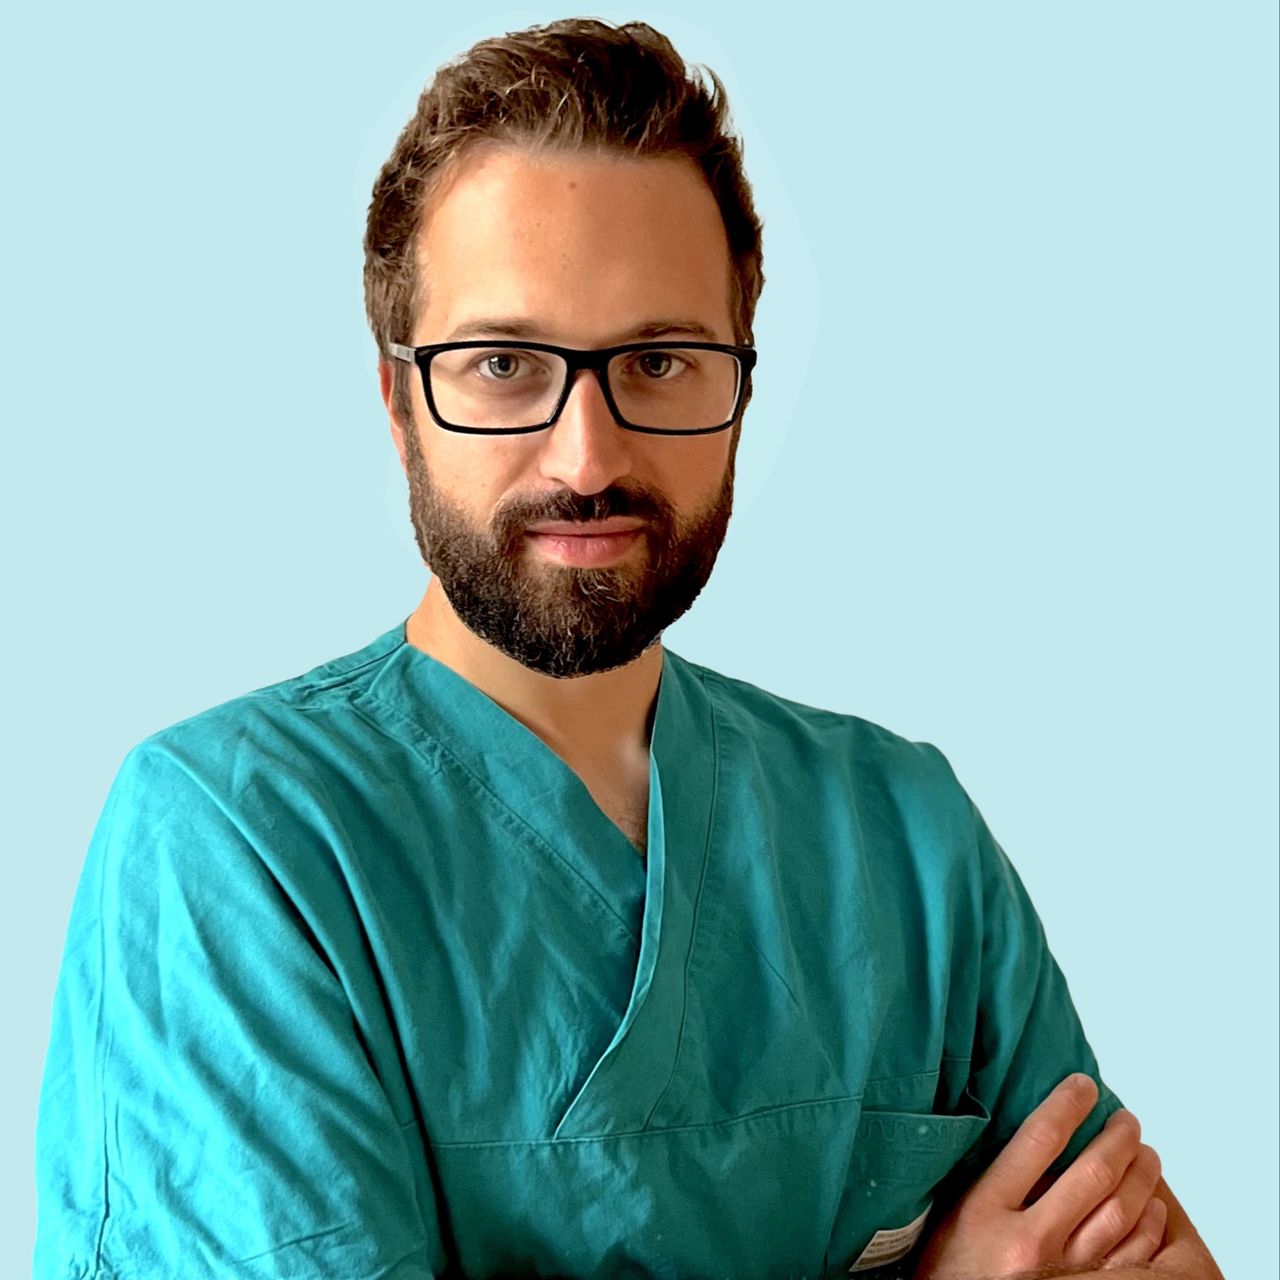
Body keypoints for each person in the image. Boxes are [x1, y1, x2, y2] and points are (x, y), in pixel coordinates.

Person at [34, 18, 1223, 1280]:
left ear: (739, 390)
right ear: (397, 404)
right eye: (504, 363)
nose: (586, 455)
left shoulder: (908, 838)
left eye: (656, 360)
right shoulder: (237, 840)